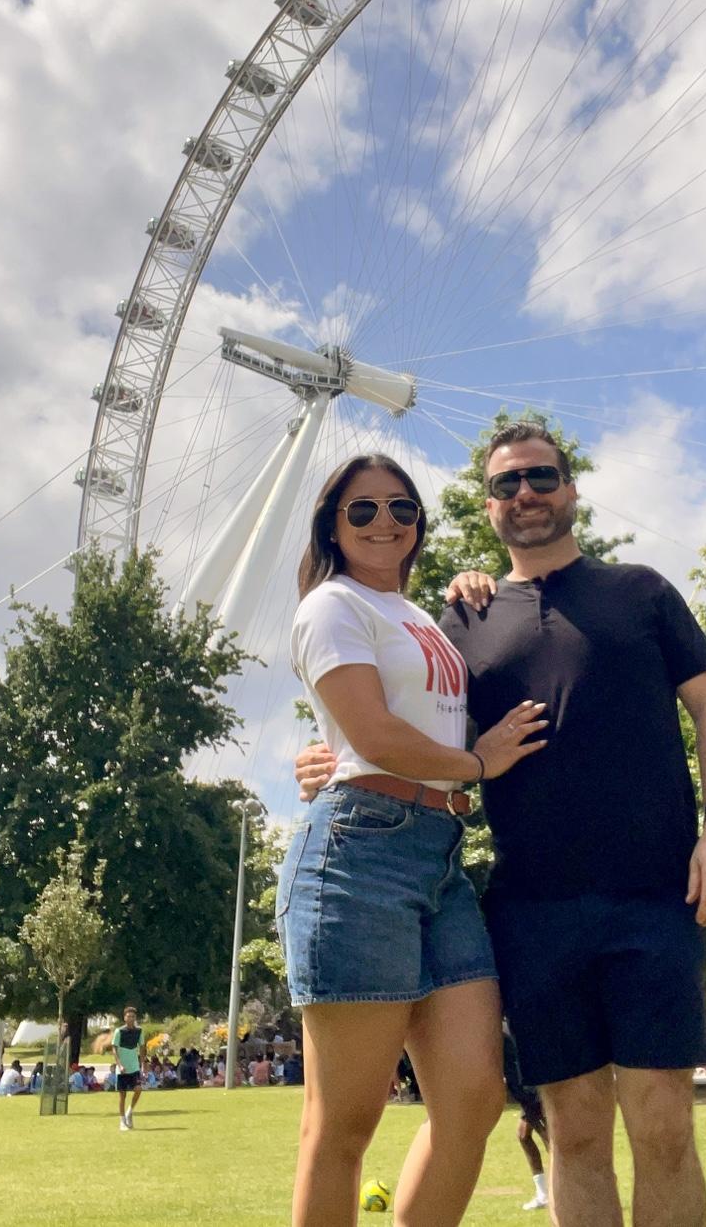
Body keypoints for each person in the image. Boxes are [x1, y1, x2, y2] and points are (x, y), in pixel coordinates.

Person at [297, 424, 706, 1227]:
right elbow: (404, 711)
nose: (526, 495)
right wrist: (326, 757)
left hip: (653, 894)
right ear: (487, 506)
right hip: (530, 910)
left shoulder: (641, 592)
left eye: (541, 478)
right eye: (507, 485)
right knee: (573, 1130)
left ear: (570, 490)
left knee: (664, 1124)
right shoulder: (457, 622)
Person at [278, 453, 546, 1227]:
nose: (384, 522)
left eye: (402, 508)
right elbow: (372, 733)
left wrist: (475, 586)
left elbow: (414, 714)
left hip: (440, 859)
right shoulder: (331, 606)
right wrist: (475, 762)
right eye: (362, 510)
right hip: (358, 857)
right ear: (333, 523)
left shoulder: (424, 617)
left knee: (474, 1099)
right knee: (344, 1123)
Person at [504, 1025, 550, 1213]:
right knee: (524, 1136)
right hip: (527, 1091)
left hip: (531, 1091)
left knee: (552, 1143)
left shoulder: (504, 1031)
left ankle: (558, 1193)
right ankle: (543, 1193)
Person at [112, 1007, 144, 1130]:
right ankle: (122, 1121)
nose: (130, 1018)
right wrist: (119, 1064)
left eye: (133, 1016)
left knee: (138, 1089)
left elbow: (141, 1047)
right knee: (122, 1095)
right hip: (122, 1068)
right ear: (124, 1017)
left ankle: (129, 1112)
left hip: (134, 1066)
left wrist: (142, 1064)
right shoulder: (119, 1031)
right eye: (128, 1016)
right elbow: (114, 1049)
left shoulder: (139, 1031)